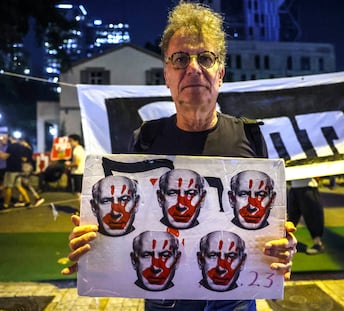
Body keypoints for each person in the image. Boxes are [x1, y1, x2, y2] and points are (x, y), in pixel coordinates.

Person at [62, 3, 297, 311]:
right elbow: (136, 225)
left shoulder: (249, 137)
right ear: (167, 77)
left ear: (221, 74)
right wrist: (96, 247)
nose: (194, 68)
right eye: (181, 59)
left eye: (206, 58)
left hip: (234, 302)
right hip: (165, 303)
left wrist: (284, 248)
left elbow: (270, 230)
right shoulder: (145, 139)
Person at [287, 178, 324, 255]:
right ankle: (286, 242)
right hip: (294, 188)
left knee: (313, 216)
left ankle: (318, 244)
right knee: (291, 217)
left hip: (308, 187)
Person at [0, 136, 32, 208]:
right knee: (18, 186)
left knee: (8, 187)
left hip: (11, 169)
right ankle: (28, 201)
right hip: (19, 169)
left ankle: (6, 204)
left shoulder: (11, 146)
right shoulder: (20, 146)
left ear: (10, 138)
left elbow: (5, 157)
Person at [14, 138, 45, 208]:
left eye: (20, 142)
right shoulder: (29, 148)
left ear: (23, 141)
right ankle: (21, 200)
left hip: (26, 167)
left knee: (25, 183)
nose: (19, 144)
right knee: (22, 183)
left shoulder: (26, 149)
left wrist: (16, 158)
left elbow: (24, 159)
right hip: (28, 167)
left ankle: (38, 197)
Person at [65, 134, 86, 199]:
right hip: (82, 172)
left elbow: (76, 163)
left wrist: (68, 165)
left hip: (77, 172)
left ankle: (80, 208)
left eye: (71, 141)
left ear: (76, 141)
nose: (70, 143)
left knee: (78, 192)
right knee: (82, 192)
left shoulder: (76, 149)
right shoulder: (82, 149)